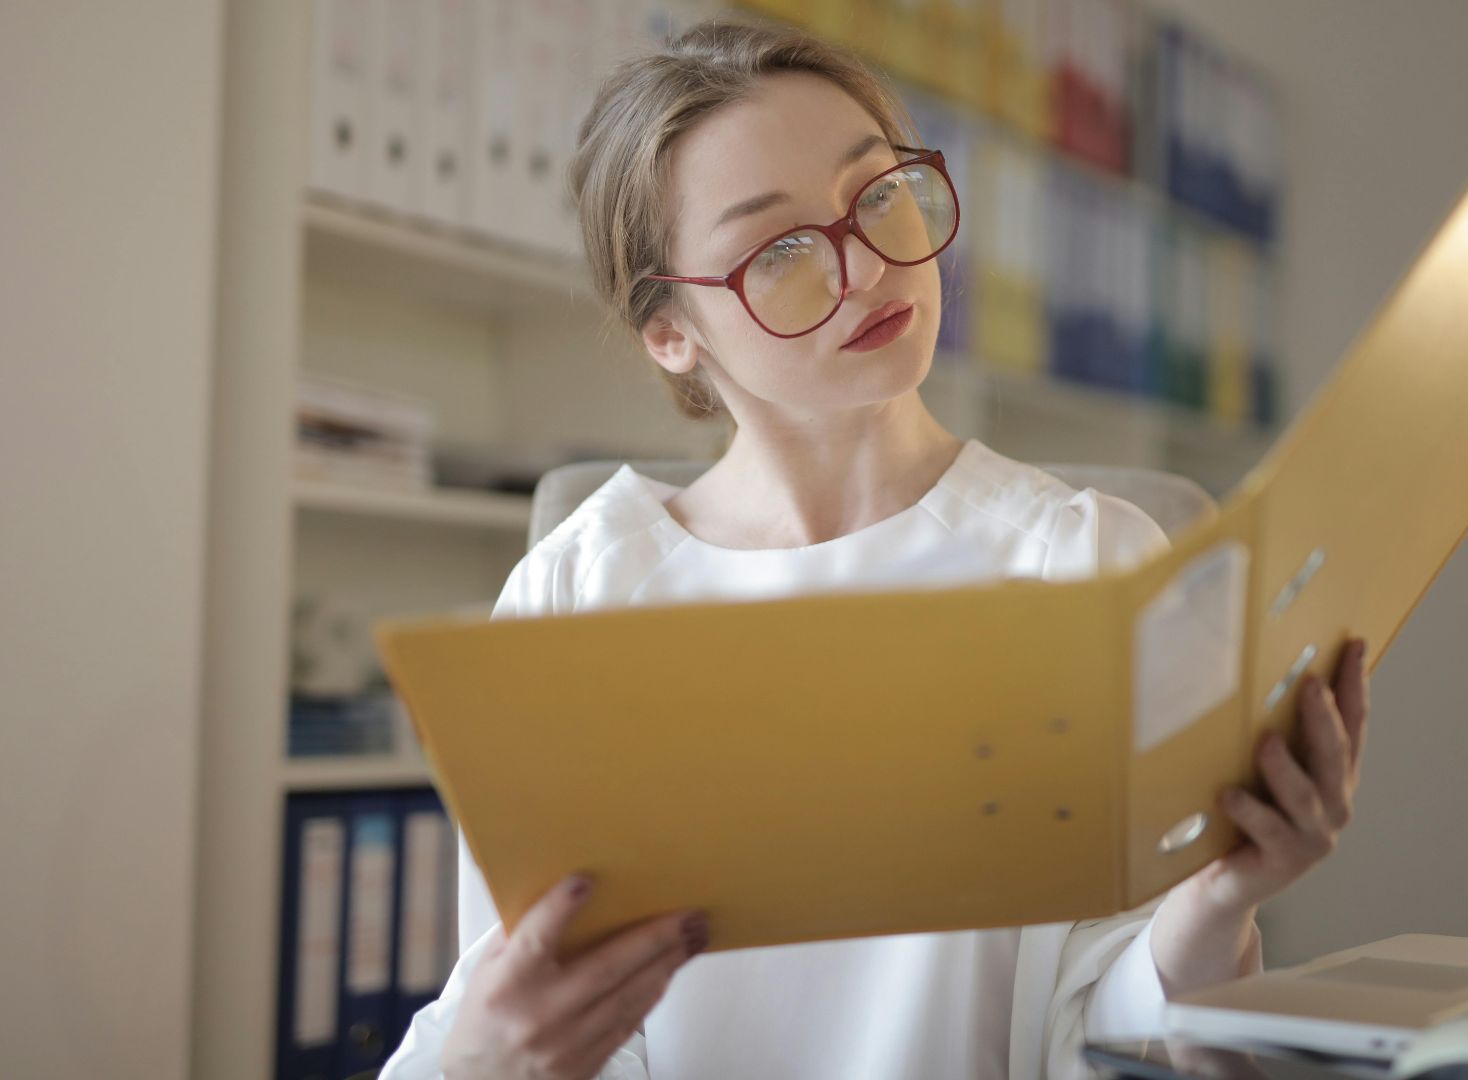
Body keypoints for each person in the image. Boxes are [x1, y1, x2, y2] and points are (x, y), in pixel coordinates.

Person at [380, 19, 1371, 1080]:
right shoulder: (582, 591)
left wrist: (1221, 900)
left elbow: (1106, 1038)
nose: (863, 265)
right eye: (783, 249)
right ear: (670, 330)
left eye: (881, 194)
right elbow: (523, 1015)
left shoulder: (1088, 565)